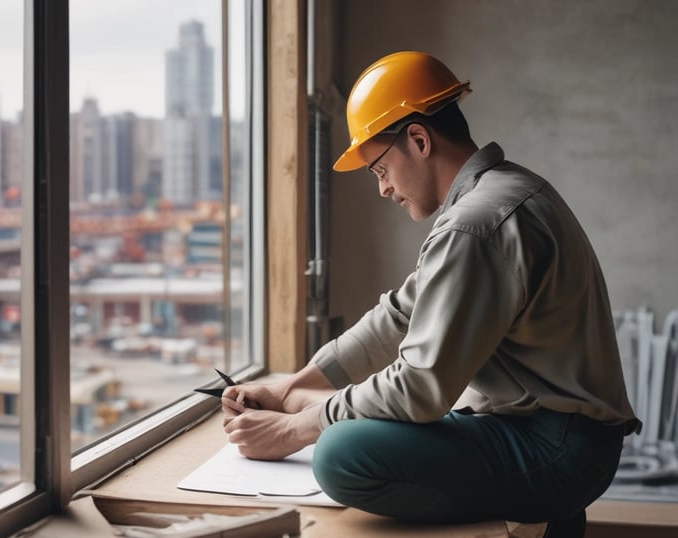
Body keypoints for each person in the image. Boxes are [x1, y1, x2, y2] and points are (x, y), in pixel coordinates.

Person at [221, 51, 640, 537]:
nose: (382, 190)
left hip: (558, 449)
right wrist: (291, 387)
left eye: (379, 169)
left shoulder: (475, 225)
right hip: (558, 434)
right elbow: (397, 316)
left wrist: (296, 429)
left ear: (418, 140)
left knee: (340, 452)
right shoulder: (503, 192)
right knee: (346, 427)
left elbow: (420, 387)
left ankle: (543, 497)